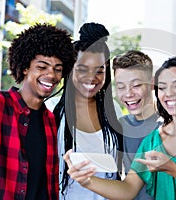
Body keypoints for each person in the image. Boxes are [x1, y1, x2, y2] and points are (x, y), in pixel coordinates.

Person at [64, 56, 176, 200]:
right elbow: (128, 189)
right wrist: (88, 181)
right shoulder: (152, 140)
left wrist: (172, 168)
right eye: (162, 87)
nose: (168, 93)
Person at [0, 23, 75, 199]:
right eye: (42, 67)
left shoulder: (51, 120)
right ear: (25, 67)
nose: (51, 75)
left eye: (58, 69)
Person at [52, 22, 123, 200]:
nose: (92, 77)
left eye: (99, 70)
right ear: (70, 70)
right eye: (82, 69)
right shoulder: (51, 110)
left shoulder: (113, 110)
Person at [112, 50, 162, 199]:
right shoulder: (120, 126)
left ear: (152, 83)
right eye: (121, 86)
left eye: (136, 85)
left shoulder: (169, 125)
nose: (128, 94)